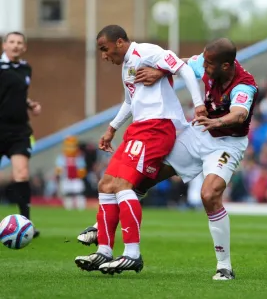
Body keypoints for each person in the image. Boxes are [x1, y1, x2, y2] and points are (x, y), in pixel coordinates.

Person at [77, 37, 258, 280]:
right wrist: (159, 71)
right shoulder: (208, 63)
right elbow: (182, 64)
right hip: (199, 133)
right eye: (203, 62)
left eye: (208, 65)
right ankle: (102, 230)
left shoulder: (244, 85)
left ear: (226, 66)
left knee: (209, 194)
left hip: (227, 144)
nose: (203, 68)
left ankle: (224, 266)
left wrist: (216, 121)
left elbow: (238, 114)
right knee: (142, 179)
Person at [74, 25, 206, 274]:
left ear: (120, 42)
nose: (104, 55)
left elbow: (184, 68)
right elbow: (130, 101)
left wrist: (198, 104)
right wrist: (112, 128)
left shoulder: (146, 51)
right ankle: (104, 251)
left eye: (105, 49)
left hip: (158, 127)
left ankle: (132, 254)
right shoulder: (126, 66)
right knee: (106, 184)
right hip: (139, 128)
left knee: (123, 185)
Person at [0, 32, 42, 237]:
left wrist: (29, 104)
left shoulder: (26, 68)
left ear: (24, 47)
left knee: (22, 174)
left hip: (18, 130)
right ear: (4, 45)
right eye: (12, 42)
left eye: (19, 43)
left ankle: (26, 223)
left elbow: (18, 95)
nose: (15, 46)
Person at [55, 136, 87, 210]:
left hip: (76, 178)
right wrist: (59, 171)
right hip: (66, 178)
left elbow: (82, 166)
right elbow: (59, 167)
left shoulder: (78, 156)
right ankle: (68, 207)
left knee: (79, 192)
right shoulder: (62, 157)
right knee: (67, 193)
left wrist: (81, 171)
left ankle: (81, 207)